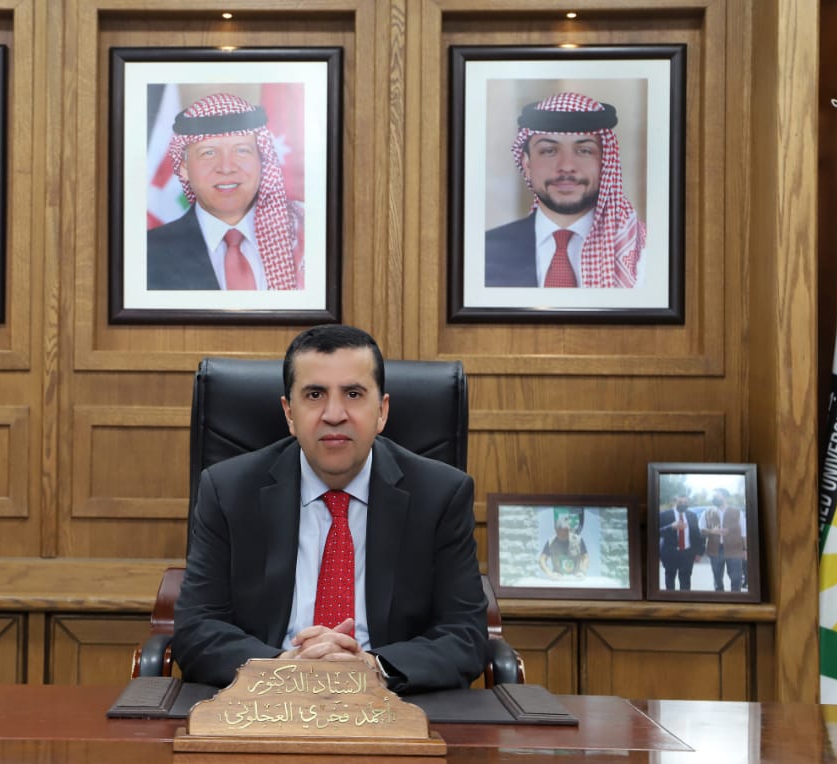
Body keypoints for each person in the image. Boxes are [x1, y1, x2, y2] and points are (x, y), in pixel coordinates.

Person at [173, 324, 488, 694]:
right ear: (289, 413)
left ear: (382, 411)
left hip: (390, 702)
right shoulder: (228, 490)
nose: (334, 414)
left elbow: (464, 634)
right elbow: (196, 628)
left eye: (353, 394)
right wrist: (282, 666)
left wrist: (373, 666)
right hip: (266, 699)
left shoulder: (440, 495)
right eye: (315, 394)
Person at [485, 91, 646, 288]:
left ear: (605, 163)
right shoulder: (484, 252)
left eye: (584, 151)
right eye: (549, 151)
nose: (567, 166)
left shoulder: (645, 253)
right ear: (527, 165)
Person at [147, 92, 304, 291]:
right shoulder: (148, 253)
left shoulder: (305, 236)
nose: (226, 167)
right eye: (208, 153)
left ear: (262, 160)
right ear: (184, 167)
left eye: (242, 150)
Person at [700, 488, 745, 592]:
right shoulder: (707, 512)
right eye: (713, 496)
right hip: (715, 550)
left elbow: (744, 532)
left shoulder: (737, 512)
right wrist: (712, 531)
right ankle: (720, 599)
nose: (714, 498)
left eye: (717, 496)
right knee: (717, 580)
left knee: (736, 578)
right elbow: (701, 529)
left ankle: (735, 599)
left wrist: (745, 549)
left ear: (725, 497)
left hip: (734, 549)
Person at [658, 495, 704, 590]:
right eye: (680, 502)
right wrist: (671, 527)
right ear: (674, 502)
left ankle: (685, 598)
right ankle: (670, 598)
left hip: (687, 553)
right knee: (670, 577)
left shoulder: (692, 516)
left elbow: (697, 535)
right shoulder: (664, 515)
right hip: (670, 553)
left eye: (685, 503)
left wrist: (700, 552)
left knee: (685, 579)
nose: (683, 504)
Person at [538, 509, 588, 579]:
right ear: (556, 531)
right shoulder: (551, 542)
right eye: (560, 531)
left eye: (566, 531)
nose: (564, 533)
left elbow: (585, 557)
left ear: (569, 530)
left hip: (576, 578)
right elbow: (542, 560)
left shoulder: (578, 540)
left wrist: (582, 571)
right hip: (558, 578)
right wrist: (549, 573)